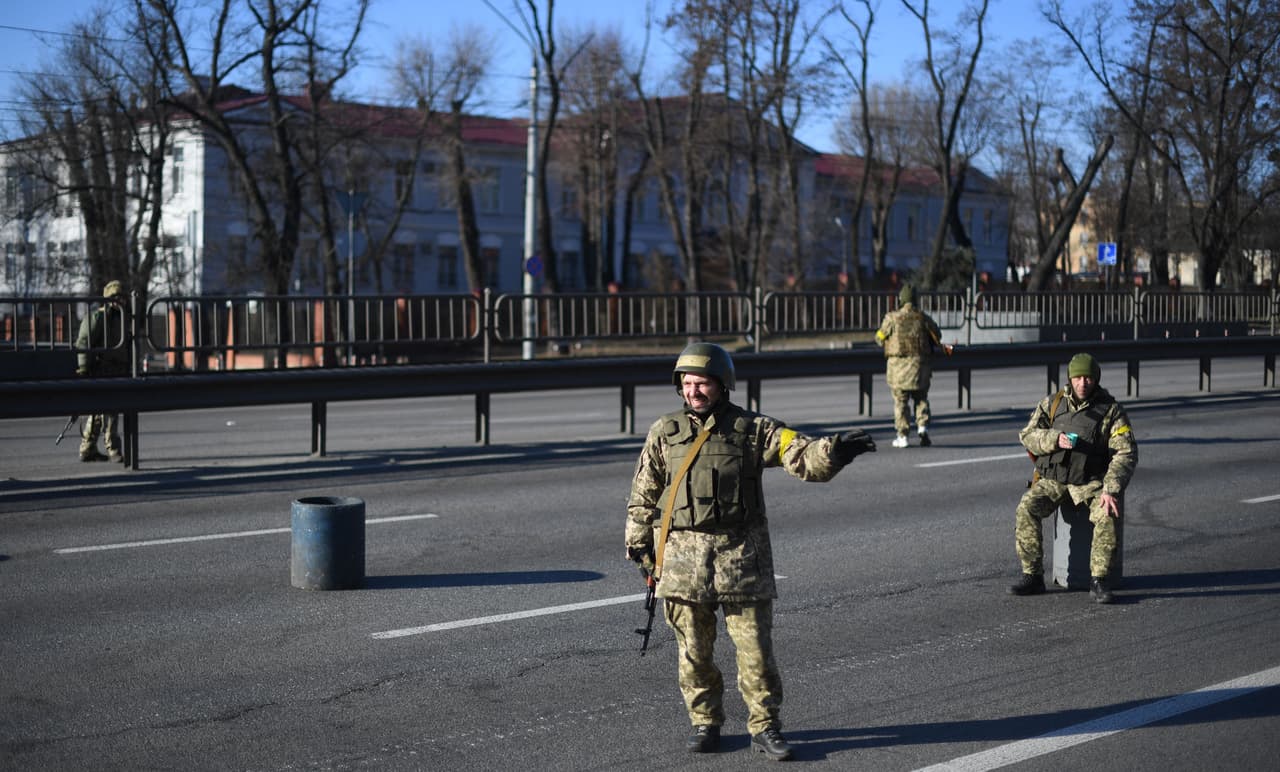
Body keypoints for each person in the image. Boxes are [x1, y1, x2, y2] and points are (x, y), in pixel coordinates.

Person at [625, 342, 877, 760]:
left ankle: (765, 726)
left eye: (702, 383)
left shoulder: (752, 429)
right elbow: (642, 495)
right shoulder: (663, 432)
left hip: (740, 559)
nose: (694, 391)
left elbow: (798, 453)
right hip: (683, 564)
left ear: (722, 384)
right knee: (693, 654)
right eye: (687, 383)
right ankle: (705, 723)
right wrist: (641, 551)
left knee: (756, 652)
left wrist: (833, 451)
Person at [1008, 353, 1138, 604]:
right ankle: (1033, 576)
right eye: (1078, 378)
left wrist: (1110, 488)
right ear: (1070, 378)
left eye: (1088, 378)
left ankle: (1099, 580)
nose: (1083, 383)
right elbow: (1027, 435)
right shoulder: (1053, 404)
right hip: (1055, 479)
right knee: (1026, 508)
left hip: (1091, 482)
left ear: (1096, 379)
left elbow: (1126, 452)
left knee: (1107, 513)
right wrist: (1053, 439)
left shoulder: (1111, 411)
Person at [874, 283, 949, 448]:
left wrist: (883, 338)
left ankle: (903, 436)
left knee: (901, 401)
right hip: (920, 366)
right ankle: (922, 428)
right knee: (921, 398)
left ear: (901, 299)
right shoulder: (922, 317)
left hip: (898, 368)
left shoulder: (891, 318)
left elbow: (879, 337)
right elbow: (937, 334)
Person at [74, 279, 130, 463]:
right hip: (101, 369)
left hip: (117, 369)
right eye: (115, 297)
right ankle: (112, 449)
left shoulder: (123, 317)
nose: (119, 301)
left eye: (121, 297)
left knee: (101, 412)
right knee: (106, 412)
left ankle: (88, 448)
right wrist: (83, 369)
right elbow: (84, 342)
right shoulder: (98, 317)